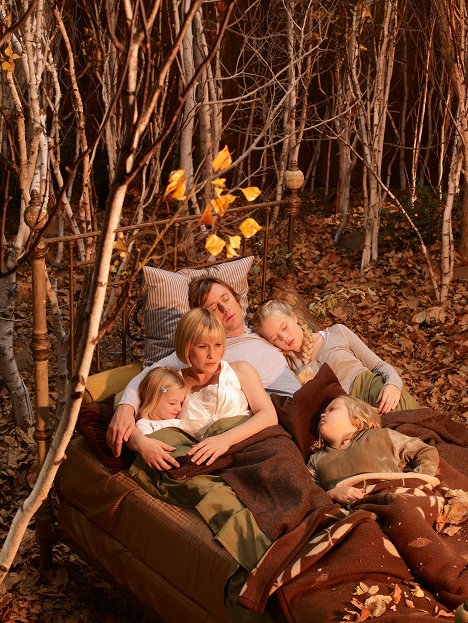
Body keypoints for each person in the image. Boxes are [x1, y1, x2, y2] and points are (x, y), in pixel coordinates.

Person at [106, 276, 300, 463]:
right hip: (283, 413)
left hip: (304, 396)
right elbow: (147, 376)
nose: (225, 308)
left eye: (226, 298)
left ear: (236, 298)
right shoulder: (204, 352)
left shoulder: (260, 331)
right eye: (214, 307)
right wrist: (126, 407)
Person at [125, 307, 278, 470]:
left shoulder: (240, 370)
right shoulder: (173, 384)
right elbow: (142, 418)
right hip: (213, 464)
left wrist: (225, 440)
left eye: (218, 344)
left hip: (257, 446)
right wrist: (140, 443)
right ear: (186, 347)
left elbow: (269, 416)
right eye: (203, 347)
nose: (212, 354)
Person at [251, 299, 419, 413]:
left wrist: (393, 385)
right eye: (275, 338)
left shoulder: (337, 332)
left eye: (284, 327)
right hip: (344, 415)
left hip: (374, 392)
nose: (284, 337)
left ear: (294, 317)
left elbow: (379, 365)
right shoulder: (286, 366)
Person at [307, 395, 439, 505]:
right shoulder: (316, 460)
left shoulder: (381, 436)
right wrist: (332, 494)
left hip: (393, 498)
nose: (323, 415)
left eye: (332, 409)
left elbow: (424, 451)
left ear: (356, 419)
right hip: (354, 514)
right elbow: (311, 497)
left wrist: (416, 481)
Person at [135, 367, 187, 435]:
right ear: (153, 400)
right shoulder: (145, 425)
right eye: (172, 403)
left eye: (181, 403)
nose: (179, 408)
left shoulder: (178, 422)